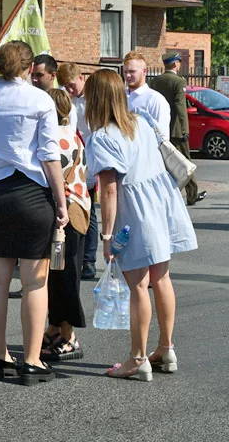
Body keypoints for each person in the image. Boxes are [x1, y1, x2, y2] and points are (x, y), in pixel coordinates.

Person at [85, 69, 197, 382]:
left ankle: (137, 357)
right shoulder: (142, 120)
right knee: (161, 277)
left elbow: (108, 189)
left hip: (133, 212)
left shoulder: (103, 136)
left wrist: (106, 236)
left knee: (137, 285)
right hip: (159, 203)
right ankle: (165, 348)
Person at [0, 40, 69, 386]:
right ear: (29, 68)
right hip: (30, 192)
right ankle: (31, 361)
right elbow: (49, 155)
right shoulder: (40, 99)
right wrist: (61, 203)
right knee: (34, 282)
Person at [40, 89, 90, 362]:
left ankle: (68, 335)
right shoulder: (70, 133)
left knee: (64, 275)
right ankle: (55, 328)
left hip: (67, 211)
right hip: (77, 209)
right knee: (59, 275)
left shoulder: (57, 138)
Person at [56, 61, 99, 281]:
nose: (70, 90)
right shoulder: (67, 100)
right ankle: (70, 256)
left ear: (81, 77)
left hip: (89, 157)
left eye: (72, 85)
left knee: (88, 210)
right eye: (66, 87)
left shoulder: (93, 98)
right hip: (71, 155)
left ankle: (89, 260)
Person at [150, 51, 207, 206]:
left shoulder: (155, 81)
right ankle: (191, 194)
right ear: (175, 64)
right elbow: (180, 107)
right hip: (175, 129)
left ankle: (163, 194)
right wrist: (184, 129)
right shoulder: (178, 82)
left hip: (159, 128)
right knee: (185, 161)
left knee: (161, 163)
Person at [123, 51, 170, 137]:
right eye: (125, 72)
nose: (128, 75)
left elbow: (162, 137)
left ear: (144, 72)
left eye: (132, 71)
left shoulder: (155, 99)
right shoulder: (120, 97)